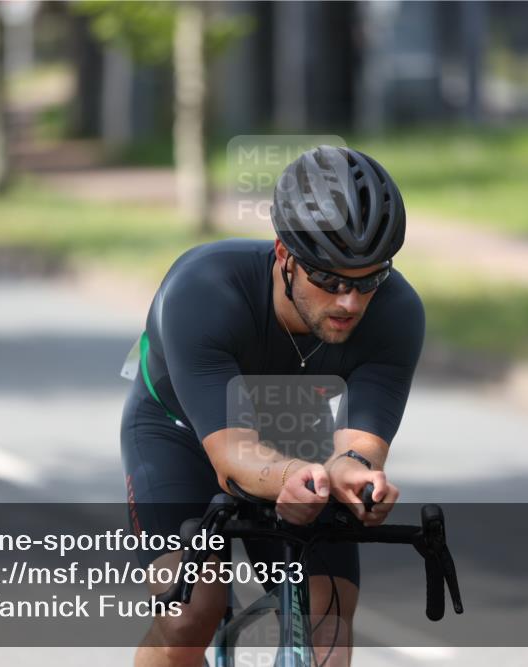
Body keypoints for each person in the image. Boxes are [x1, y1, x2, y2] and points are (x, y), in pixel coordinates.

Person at [121, 145, 424, 666]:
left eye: (369, 280)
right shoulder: (204, 289)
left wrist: (355, 474)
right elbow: (232, 453)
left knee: (326, 618)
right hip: (182, 433)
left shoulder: (397, 313)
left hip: (297, 437)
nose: (350, 303)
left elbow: (362, 443)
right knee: (189, 610)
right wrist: (295, 475)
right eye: (330, 281)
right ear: (284, 256)